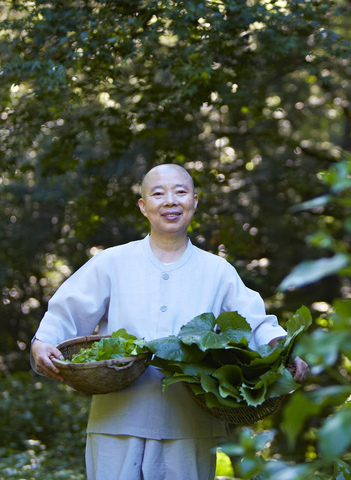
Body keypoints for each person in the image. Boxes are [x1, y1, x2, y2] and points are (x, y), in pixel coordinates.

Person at [31, 164, 309, 480]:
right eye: (158, 193)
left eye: (180, 191)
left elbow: (255, 322)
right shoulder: (112, 262)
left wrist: (283, 352)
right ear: (143, 206)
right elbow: (66, 312)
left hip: (189, 425)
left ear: (195, 200)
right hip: (117, 422)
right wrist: (43, 342)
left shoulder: (216, 271)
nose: (170, 201)